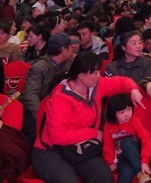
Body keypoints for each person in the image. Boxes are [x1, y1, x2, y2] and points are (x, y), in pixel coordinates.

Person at [31, 51, 144, 183]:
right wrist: (93, 133)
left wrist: (133, 89)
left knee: (104, 178)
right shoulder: (60, 97)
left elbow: (121, 82)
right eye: (94, 72)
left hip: (83, 147)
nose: (98, 75)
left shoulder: (95, 86)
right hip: (51, 150)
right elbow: (58, 136)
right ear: (80, 75)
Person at [20, 33, 75, 145]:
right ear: (63, 50)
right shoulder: (39, 67)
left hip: (63, 109)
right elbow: (31, 95)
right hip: (40, 111)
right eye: (70, 48)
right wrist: (42, 116)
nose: (72, 51)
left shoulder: (70, 64)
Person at [103, 93, 151, 183]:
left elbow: (146, 138)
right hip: (120, 156)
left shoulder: (134, 120)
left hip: (134, 153)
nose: (127, 114)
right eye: (122, 112)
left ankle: (140, 173)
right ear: (113, 114)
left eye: (129, 109)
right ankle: (139, 174)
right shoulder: (108, 125)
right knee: (127, 172)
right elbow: (108, 144)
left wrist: (145, 161)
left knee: (125, 142)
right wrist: (110, 161)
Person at [105, 31, 151, 99]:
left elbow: (149, 79)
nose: (139, 46)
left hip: (141, 99)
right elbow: (109, 88)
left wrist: (149, 83)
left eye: (140, 42)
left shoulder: (148, 63)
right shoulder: (111, 67)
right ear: (124, 48)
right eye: (134, 43)